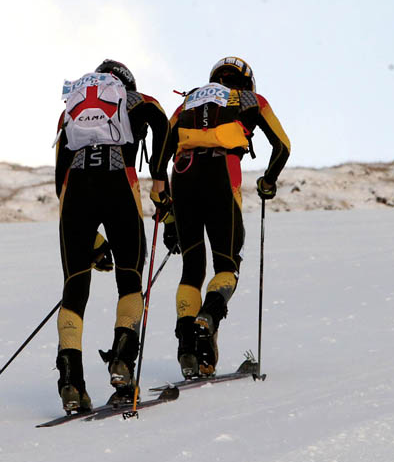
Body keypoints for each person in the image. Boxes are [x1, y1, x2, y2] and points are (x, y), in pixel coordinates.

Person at [152, 57, 290, 378]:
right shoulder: (251, 99)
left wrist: (167, 210)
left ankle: (188, 345)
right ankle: (208, 317)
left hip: (182, 174)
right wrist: (268, 181)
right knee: (226, 265)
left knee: (192, 269)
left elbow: (162, 149)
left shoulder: (188, 100)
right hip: (221, 172)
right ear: (247, 81)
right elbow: (282, 145)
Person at [52, 60, 170, 412]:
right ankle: (122, 364)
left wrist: (94, 243)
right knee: (130, 282)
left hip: (76, 193)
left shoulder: (71, 109)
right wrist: (160, 179)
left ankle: (71, 382)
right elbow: (164, 129)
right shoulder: (138, 100)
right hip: (120, 184)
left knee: (74, 290)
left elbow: (61, 177)